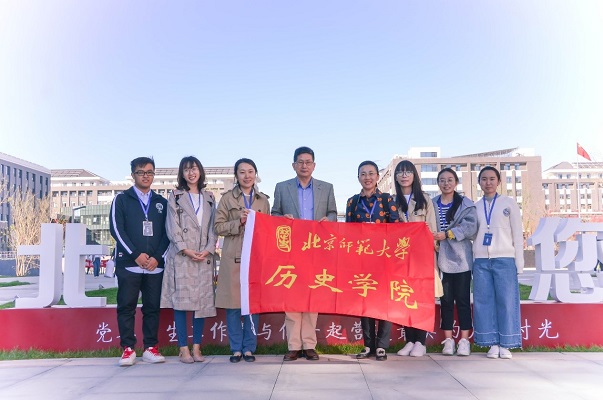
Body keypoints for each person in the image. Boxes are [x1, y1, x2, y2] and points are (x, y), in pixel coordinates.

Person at [271, 146, 337, 361]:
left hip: (316, 250)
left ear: (314, 165)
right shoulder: (282, 187)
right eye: (300, 162)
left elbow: (333, 213)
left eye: (308, 162)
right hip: (291, 251)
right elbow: (274, 214)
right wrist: (283, 219)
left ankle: (309, 345)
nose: (304, 166)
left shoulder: (326, 188)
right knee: (291, 297)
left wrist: (328, 220)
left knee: (312, 296)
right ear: (293, 165)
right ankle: (293, 346)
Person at [109, 156, 169, 367]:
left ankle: (151, 348)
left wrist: (157, 258)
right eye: (141, 172)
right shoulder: (122, 199)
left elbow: (167, 233)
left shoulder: (162, 202)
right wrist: (135, 254)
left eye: (150, 172)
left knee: (152, 308)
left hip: (154, 266)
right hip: (129, 263)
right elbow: (116, 229)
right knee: (127, 307)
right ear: (133, 175)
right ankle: (128, 349)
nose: (146, 176)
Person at [160, 156, 217, 364]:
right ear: (182, 174)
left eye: (194, 169)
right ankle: (183, 348)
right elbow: (172, 225)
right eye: (186, 170)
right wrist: (185, 248)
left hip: (204, 257)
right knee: (181, 303)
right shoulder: (175, 196)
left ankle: (197, 347)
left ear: (200, 171)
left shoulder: (209, 197)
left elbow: (214, 227)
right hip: (183, 256)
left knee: (201, 304)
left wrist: (209, 248)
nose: (191, 173)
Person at [215, 158, 270, 363]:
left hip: (256, 257)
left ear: (256, 174)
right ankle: (236, 348)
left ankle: (249, 348)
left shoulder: (263, 200)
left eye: (250, 171)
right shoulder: (227, 199)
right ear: (236, 176)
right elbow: (217, 227)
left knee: (252, 304)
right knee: (233, 305)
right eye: (242, 172)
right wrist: (239, 221)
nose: (247, 176)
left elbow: (268, 228)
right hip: (233, 257)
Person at [346, 161, 399, 361]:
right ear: (358, 177)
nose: (367, 177)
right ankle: (368, 345)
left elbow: (396, 228)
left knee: (384, 302)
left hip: (384, 260)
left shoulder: (386, 199)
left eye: (371, 173)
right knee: (365, 301)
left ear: (377, 176)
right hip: (362, 260)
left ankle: (382, 346)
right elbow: (348, 233)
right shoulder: (352, 202)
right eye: (363, 174)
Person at [473, 166, 524, 359]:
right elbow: (472, 234)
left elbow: (517, 234)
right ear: (479, 182)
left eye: (492, 179)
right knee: (483, 302)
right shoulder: (475, 206)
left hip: (505, 258)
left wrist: (519, 262)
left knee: (507, 301)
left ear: (499, 181)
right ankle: (491, 343)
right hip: (481, 260)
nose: (488, 182)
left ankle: (507, 343)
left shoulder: (508, 203)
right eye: (484, 179)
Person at [393, 160, 442, 358]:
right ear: (396, 177)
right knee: (405, 298)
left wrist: (429, 245)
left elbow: (432, 229)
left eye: (408, 172)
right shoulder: (392, 201)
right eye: (400, 172)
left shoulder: (425, 200)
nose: (404, 175)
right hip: (400, 258)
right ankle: (410, 340)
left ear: (414, 175)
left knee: (421, 299)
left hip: (422, 257)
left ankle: (421, 342)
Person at [432, 168, 478, 356]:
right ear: (438, 183)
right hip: (439, 256)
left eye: (450, 180)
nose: (446, 183)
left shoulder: (466, 204)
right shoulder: (432, 204)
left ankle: (464, 340)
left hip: (462, 258)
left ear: (456, 182)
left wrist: (448, 234)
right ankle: (448, 340)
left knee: (463, 300)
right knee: (446, 300)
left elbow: (470, 227)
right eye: (442, 180)